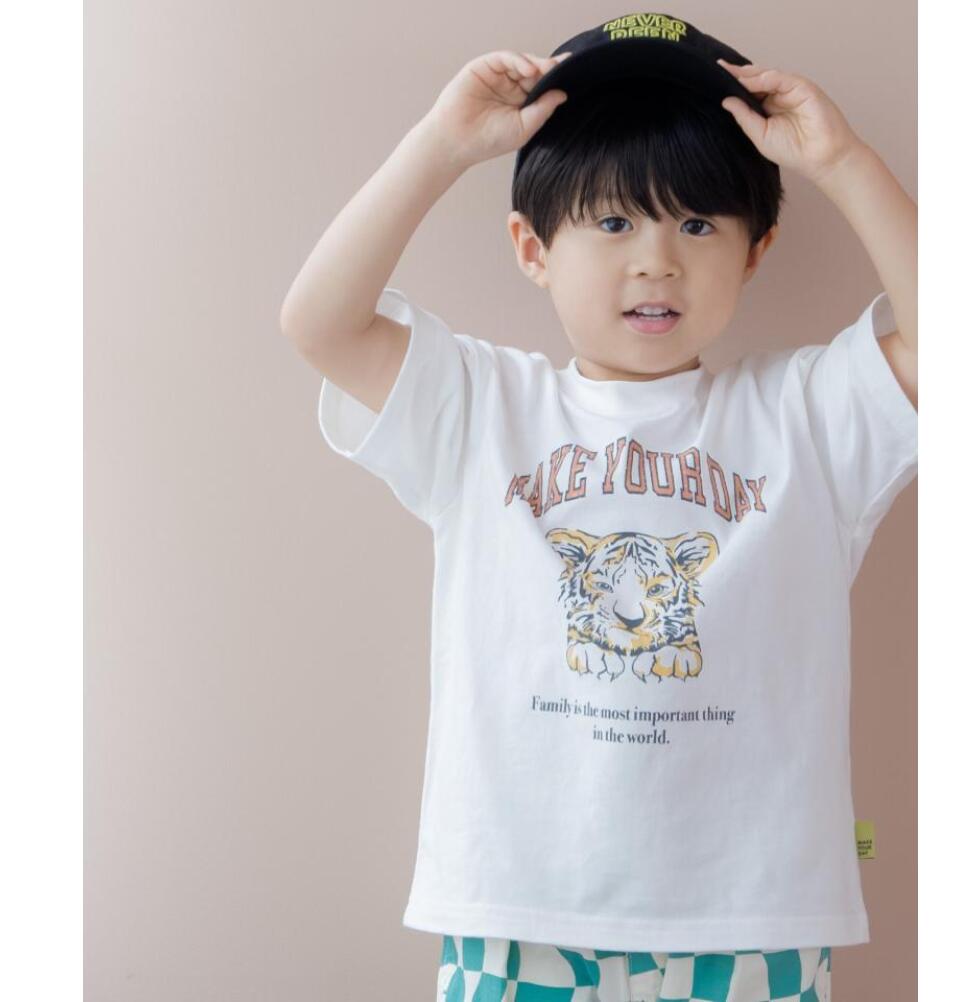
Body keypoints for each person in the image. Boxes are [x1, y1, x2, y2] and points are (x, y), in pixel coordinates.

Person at [279, 13, 917, 1002]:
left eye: (697, 224)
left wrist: (843, 160)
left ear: (757, 251)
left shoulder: (806, 416)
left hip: (753, 918)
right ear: (533, 249)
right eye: (614, 222)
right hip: (519, 909)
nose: (656, 259)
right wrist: (441, 145)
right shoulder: (485, 408)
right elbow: (320, 323)